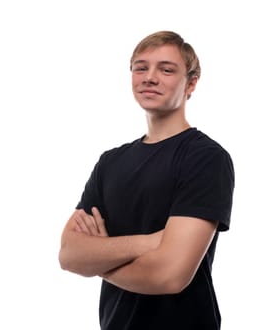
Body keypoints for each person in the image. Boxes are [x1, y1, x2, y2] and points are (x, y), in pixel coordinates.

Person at [59, 30, 235, 330]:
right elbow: (69, 254)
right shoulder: (110, 162)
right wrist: (151, 242)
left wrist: (99, 260)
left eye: (166, 69)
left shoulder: (205, 158)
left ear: (191, 83)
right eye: (141, 67)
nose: (150, 77)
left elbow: (169, 275)